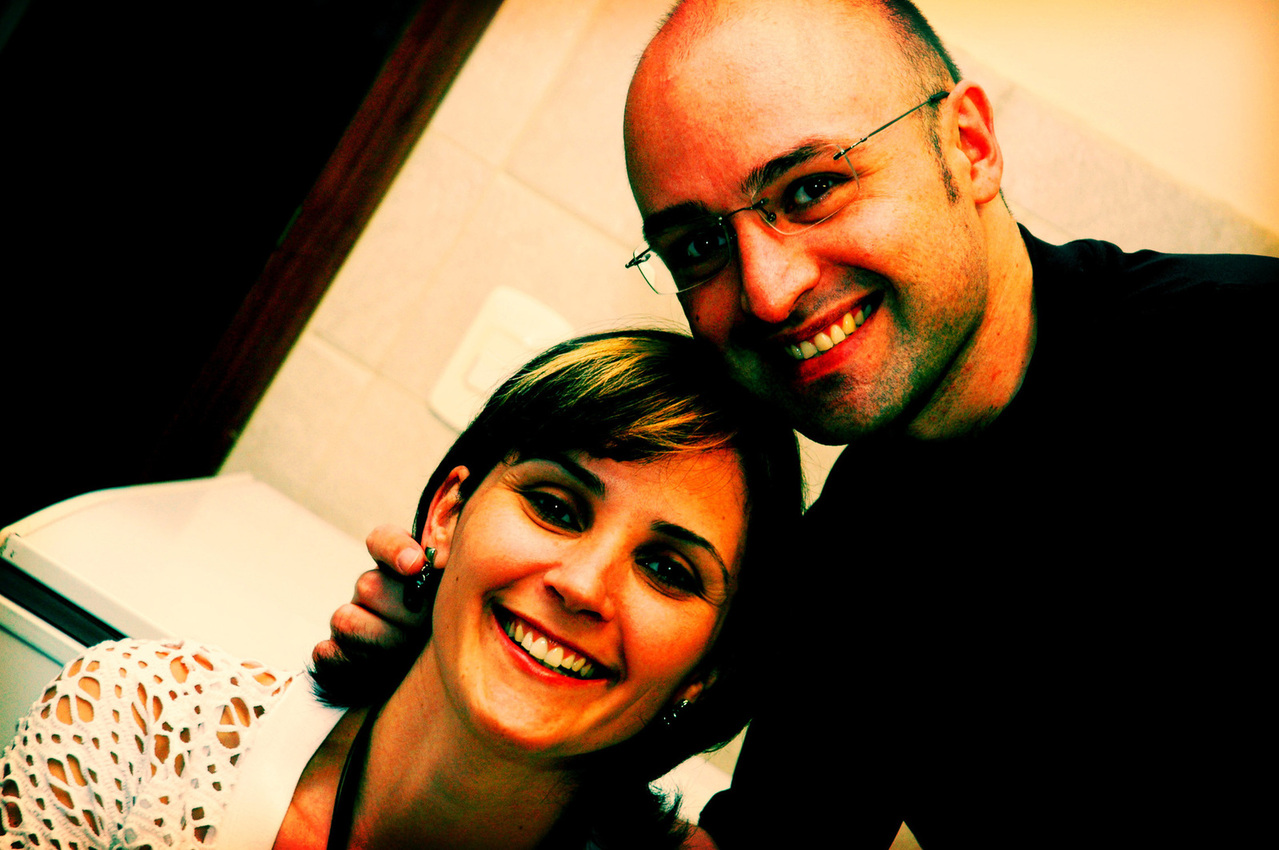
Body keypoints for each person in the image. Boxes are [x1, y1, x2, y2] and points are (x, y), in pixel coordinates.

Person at [329, 1, 1277, 847]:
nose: (768, 292)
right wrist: (458, 679)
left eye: (810, 189)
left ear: (969, 146)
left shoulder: (1245, 351)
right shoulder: (844, 573)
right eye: (699, 245)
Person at [0, 329, 804, 849]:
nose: (582, 586)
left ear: (708, 669)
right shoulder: (139, 725)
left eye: (667, 570)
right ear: (449, 513)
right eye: (556, 507)